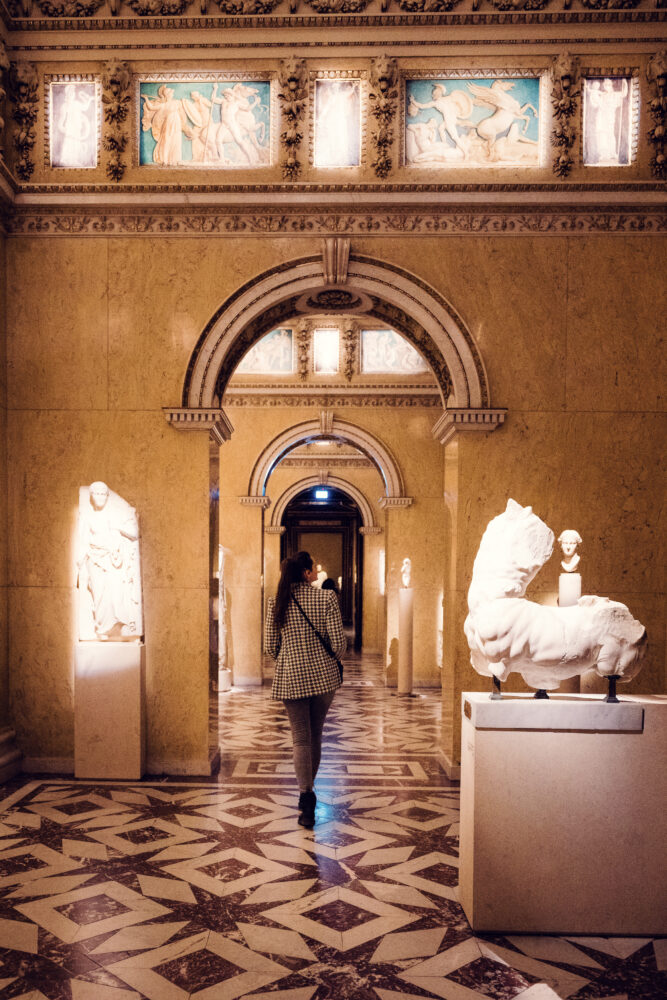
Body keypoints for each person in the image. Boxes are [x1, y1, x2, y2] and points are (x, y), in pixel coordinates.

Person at [264, 551, 345, 828]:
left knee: (300, 738)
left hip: (291, 677)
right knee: (316, 734)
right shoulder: (326, 597)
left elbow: (270, 645)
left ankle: (305, 796)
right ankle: (309, 793)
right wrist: (324, 657)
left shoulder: (277, 601)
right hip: (323, 676)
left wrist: (288, 658)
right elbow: (338, 644)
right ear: (306, 573)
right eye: (311, 570)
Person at [77, 481, 142, 641]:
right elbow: (82, 540)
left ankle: (119, 626)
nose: (99, 497)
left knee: (117, 592)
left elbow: (134, 533)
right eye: (96, 494)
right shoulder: (88, 516)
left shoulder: (116, 515)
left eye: (102, 494)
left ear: (107, 496)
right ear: (91, 496)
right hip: (95, 560)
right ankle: (102, 629)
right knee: (99, 594)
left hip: (113, 560)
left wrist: (118, 527)